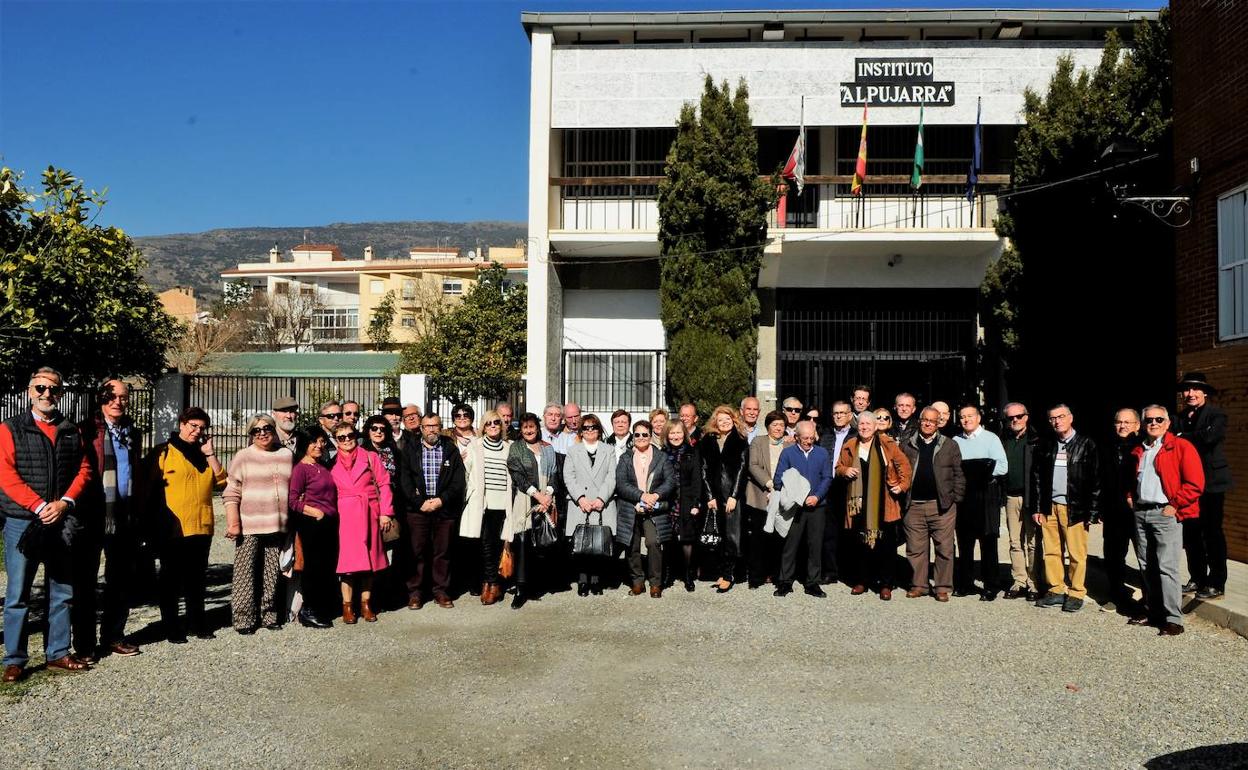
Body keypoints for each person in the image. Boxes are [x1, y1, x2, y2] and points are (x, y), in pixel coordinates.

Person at [1, 367, 93, 682]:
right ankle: (15, 659)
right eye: (40, 388)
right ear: (29, 391)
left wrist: (65, 503)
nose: (46, 394)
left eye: (53, 389)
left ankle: (57, 653)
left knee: (63, 589)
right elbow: (6, 475)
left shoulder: (71, 430)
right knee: (17, 594)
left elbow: (84, 470)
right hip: (22, 521)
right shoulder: (10, 429)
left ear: (61, 393)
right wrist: (40, 506)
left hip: (60, 519)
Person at [72, 379, 142, 662]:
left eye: (123, 397)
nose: (117, 402)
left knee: (120, 580)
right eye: (111, 396)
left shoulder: (131, 433)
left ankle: (113, 635)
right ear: (101, 398)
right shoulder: (87, 430)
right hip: (94, 514)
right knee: (86, 583)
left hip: (124, 516)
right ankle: (85, 645)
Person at [142, 407, 226, 643]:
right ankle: (171, 627)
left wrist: (210, 454)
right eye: (193, 426)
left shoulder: (203, 454)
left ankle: (197, 623)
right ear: (182, 424)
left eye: (201, 428)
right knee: (170, 580)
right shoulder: (164, 452)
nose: (196, 431)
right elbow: (148, 491)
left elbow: (222, 481)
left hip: (202, 525)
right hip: (173, 527)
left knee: (197, 579)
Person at [1129, 405, 1205, 636]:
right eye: (1149, 420)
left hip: (1165, 514)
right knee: (1146, 565)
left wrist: (1174, 505)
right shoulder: (1139, 450)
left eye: (1159, 419)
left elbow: (1195, 483)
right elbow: (1133, 480)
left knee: (1166, 567)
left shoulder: (1181, 446)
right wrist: (1130, 498)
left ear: (1168, 422)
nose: (1153, 423)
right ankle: (1152, 610)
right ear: (1143, 424)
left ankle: (1173, 619)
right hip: (1141, 513)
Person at [223, 414, 293, 634]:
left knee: (272, 572)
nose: (262, 433)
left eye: (266, 429)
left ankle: (269, 614)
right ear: (250, 434)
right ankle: (244, 618)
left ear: (273, 430)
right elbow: (231, 491)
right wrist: (233, 523)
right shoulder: (243, 457)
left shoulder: (286, 455)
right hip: (250, 525)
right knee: (245, 573)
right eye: (256, 430)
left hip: (276, 524)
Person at [1031, 404, 1101, 613]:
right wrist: (1037, 508)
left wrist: (1094, 511)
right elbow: (1037, 478)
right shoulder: (1047, 445)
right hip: (1049, 507)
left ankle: (1076, 591)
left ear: (1071, 418)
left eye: (1061, 417)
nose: (1057, 421)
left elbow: (1096, 480)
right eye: (1052, 418)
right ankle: (1056, 589)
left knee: (1077, 553)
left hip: (1075, 508)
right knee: (1052, 551)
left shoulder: (1087, 444)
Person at [836, 413, 912, 600]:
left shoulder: (887, 444)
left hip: (883, 503)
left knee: (886, 546)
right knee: (860, 544)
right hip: (858, 504)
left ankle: (886, 584)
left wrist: (901, 486)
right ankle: (862, 580)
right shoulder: (850, 445)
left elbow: (904, 466)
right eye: (861, 424)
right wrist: (846, 470)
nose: (864, 427)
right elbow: (838, 468)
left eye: (868, 424)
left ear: (875, 426)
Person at [1174, 372, 1232, 600]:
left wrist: (1182, 436)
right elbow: (1173, 441)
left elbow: (1209, 438)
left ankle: (1216, 583)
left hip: (1212, 484)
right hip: (1188, 485)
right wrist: (1187, 435)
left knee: (1212, 533)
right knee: (1191, 534)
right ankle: (1197, 578)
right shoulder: (1178, 417)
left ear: (1204, 392)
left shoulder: (1217, 415)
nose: (1190, 393)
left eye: (1195, 389)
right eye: (1186, 389)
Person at [330, 422, 395, 623]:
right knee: (347, 566)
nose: (347, 440)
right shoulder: (331, 462)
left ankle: (366, 603)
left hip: (369, 514)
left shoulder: (370, 456)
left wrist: (385, 512)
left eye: (350, 435)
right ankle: (347, 607)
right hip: (345, 518)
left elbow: (384, 483)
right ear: (336, 440)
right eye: (342, 437)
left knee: (369, 564)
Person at [399, 413, 466, 610]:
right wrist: (419, 502)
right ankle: (415, 592)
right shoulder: (410, 449)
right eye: (427, 426)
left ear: (440, 427)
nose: (431, 430)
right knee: (417, 552)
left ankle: (441, 591)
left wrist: (440, 500)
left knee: (442, 552)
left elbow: (458, 481)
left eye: (435, 426)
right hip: (417, 510)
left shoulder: (450, 449)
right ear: (421, 428)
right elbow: (405, 480)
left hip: (443, 509)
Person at [901, 407, 964, 601]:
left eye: (932, 421)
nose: (928, 423)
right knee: (915, 548)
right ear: (919, 421)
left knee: (944, 548)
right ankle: (919, 585)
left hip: (942, 505)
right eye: (925, 420)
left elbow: (958, 474)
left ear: (938, 423)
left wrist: (955, 498)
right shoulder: (907, 444)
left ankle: (942, 586)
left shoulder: (949, 445)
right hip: (914, 505)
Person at [615, 420, 676, 598]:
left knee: (653, 543)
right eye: (637, 434)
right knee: (632, 545)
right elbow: (621, 484)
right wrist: (641, 496)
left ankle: (655, 583)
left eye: (645, 434)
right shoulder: (625, 458)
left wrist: (654, 496)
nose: (641, 438)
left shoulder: (661, 457)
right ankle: (637, 582)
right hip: (631, 507)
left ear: (650, 436)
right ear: (633, 437)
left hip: (654, 508)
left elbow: (670, 481)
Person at [772, 421, 833, 598]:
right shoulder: (788, 453)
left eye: (811, 437)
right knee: (790, 545)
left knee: (815, 545)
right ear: (796, 437)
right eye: (804, 438)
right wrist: (798, 495)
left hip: (817, 506)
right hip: (794, 507)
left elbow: (827, 477)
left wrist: (817, 496)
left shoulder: (822, 453)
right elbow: (779, 479)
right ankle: (785, 582)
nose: (808, 441)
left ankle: (812, 583)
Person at [953, 404, 1008, 600]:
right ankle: (965, 583)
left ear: (978, 418)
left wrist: (980, 473)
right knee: (965, 543)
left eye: (970, 416)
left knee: (988, 542)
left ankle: (991, 585)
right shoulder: (955, 441)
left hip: (986, 494)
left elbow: (1002, 466)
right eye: (962, 417)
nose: (966, 420)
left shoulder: (991, 438)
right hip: (964, 496)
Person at [506, 412, 559, 608]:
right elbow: (517, 475)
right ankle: (520, 589)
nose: (529, 430)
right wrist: (537, 495)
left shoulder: (548, 448)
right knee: (522, 543)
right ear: (521, 429)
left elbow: (554, 473)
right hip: (525, 500)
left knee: (541, 544)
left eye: (532, 426)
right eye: (525, 427)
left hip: (545, 500)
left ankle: (536, 585)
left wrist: (548, 496)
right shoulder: (516, 448)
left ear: (537, 428)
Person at [462, 410, 513, 605]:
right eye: (489, 423)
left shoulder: (509, 447)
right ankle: (490, 582)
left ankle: (493, 583)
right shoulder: (475, 446)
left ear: (501, 426)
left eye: (496, 423)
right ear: (483, 426)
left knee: (497, 545)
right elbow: (466, 473)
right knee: (485, 545)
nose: (493, 426)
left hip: (503, 503)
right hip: (482, 504)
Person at [287, 431, 338, 629]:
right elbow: (292, 501)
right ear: (304, 445)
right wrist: (315, 512)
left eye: (321, 441)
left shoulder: (323, 467)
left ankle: (323, 607)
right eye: (313, 442)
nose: (318, 445)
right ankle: (309, 611)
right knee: (314, 568)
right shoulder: (301, 469)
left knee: (326, 567)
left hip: (329, 523)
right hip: (313, 523)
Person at [563, 414, 617, 596]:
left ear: (599, 430)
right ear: (581, 431)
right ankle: (582, 580)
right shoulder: (573, 451)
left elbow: (612, 477)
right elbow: (568, 477)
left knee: (598, 544)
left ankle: (596, 580)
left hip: (601, 503)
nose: (590, 430)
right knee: (582, 544)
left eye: (593, 427)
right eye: (585, 428)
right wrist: (581, 498)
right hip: (581, 503)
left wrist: (602, 498)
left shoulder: (608, 450)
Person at [699, 405, 748, 592]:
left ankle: (729, 574)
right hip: (714, 495)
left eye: (728, 419)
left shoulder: (740, 441)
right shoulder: (707, 441)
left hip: (732, 495)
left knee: (732, 536)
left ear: (734, 420)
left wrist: (734, 496)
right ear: (715, 422)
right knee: (717, 535)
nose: (725, 422)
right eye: (721, 420)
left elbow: (742, 471)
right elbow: (703, 470)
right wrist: (709, 496)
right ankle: (721, 572)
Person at [999, 402, 1041, 600]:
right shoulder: (1003, 439)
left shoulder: (1036, 439)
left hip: (1031, 497)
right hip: (1011, 497)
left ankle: (1034, 583)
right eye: (1010, 418)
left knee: (1033, 542)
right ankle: (1019, 581)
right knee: (1015, 542)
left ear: (1026, 416)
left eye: (1018, 416)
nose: (1014, 420)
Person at [1102, 408, 1143, 610]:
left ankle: (1149, 598)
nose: (1123, 426)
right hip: (1112, 511)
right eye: (1119, 422)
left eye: (1128, 422)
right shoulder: (1106, 447)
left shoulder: (1144, 447)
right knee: (1113, 555)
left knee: (1145, 555)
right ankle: (1116, 594)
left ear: (1137, 425)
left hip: (1138, 511)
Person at [744, 411, 786, 589]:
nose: (778, 428)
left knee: (778, 539)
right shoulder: (758, 442)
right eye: (775, 425)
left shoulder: (789, 444)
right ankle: (756, 577)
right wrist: (770, 485)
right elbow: (753, 465)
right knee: (758, 539)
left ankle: (776, 574)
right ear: (768, 426)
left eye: (782, 425)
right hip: (760, 496)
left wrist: (780, 490)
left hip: (783, 497)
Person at [664, 419, 704, 592]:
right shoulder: (662, 453)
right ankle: (668, 575)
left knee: (687, 540)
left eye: (679, 432)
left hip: (686, 501)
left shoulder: (692, 452)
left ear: (684, 434)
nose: (675, 436)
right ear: (667, 435)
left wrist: (696, 502)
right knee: (669, 540)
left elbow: (697, 479)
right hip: (668, 501)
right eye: (672, 433)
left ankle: (688, 575)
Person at [817, 401, 854, 584]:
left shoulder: (856, 436)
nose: (838, 416)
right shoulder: (825, 435)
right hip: (828, 488)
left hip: (848, 487)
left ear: (850, 415)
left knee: (849, 530)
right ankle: (830, 571)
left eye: (842, 413)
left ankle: (848, 570)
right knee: (828, 531)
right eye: (835, 413)